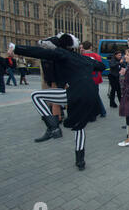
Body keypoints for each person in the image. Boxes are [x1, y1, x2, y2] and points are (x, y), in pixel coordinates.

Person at [9, 33, 106, 171]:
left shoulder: (62, 54)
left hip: (75, 92)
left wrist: (16, 48)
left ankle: (53, 127)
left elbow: (39, 53)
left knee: (36, 96)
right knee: (79, 127)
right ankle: (80, 161)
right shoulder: (83, 58)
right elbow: (101, 66)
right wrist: (88, 61)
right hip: (91, 94)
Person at [80, 41, 107, 119]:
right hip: (96, 77)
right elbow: (101, 66)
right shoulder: (97, 56)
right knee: (95, 95)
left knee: (90, 96)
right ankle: (102, 111)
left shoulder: (82, 56)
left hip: (87, 78)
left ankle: (95, 113)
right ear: (91, 47)